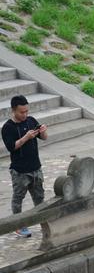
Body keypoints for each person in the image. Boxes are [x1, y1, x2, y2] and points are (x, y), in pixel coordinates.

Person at [2, 95, 48, 238]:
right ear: (14, 110)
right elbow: (11, 147)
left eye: (27, 111)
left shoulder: (31, 121)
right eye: (22, 112)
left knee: (39, 198)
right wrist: (26, 137)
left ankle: (44, 223)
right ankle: (19, 225)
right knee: (18, 198)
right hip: (20, 171)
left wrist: (43, 130)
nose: (25, 114)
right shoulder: (7, 127)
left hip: (36, 167)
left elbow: (44, 138)